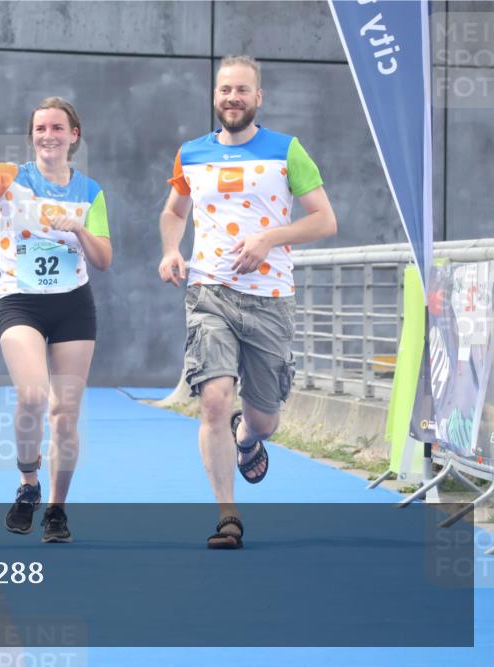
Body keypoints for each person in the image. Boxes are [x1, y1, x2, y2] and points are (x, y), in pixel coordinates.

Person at [157, 55, 337, 549]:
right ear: (215, 97)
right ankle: (227, 516)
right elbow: (174, 211)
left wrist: (269, 239)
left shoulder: (286, 150)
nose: (231, 98)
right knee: (213, 401)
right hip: (209, 292)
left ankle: (247, 437)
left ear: (258, 98)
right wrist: (172, 249)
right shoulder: (191, 154)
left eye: (242, 90)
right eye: (224, 90)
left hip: (269, 301)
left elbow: (324, 220)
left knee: (265, 418)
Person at [0, 98, 112, 543]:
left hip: (73, 305)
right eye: (40, 128)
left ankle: (57, 509)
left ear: (73, 135)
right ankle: (28, 483)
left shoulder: (91, 192)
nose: (48, 135)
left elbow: (104, 259)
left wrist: (76, 229)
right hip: (21, 302)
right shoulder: (11, 177)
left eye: (57, 128)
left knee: (65, 414)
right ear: (32, 136)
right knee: (34, 394)